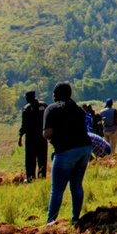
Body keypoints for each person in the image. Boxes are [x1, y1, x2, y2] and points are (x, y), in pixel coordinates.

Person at [43, 82, 91, 224]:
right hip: (84, 148)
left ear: (57, 95)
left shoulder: (51, 109)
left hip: (66, 151)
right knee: (76, 185)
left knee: (57, 189)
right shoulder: (78, 110)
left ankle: (51, 222)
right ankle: (76, 218)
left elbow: (47, 133)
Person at [18, 91, 48, 181]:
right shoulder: (44, 106)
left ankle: (30, 178)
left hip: (31, 138)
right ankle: (42, 176)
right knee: (42, 157)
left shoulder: (26, 108)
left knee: (30, 159)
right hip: (42, 137)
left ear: (28, 98)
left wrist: (20, 136)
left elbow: (24, 125)